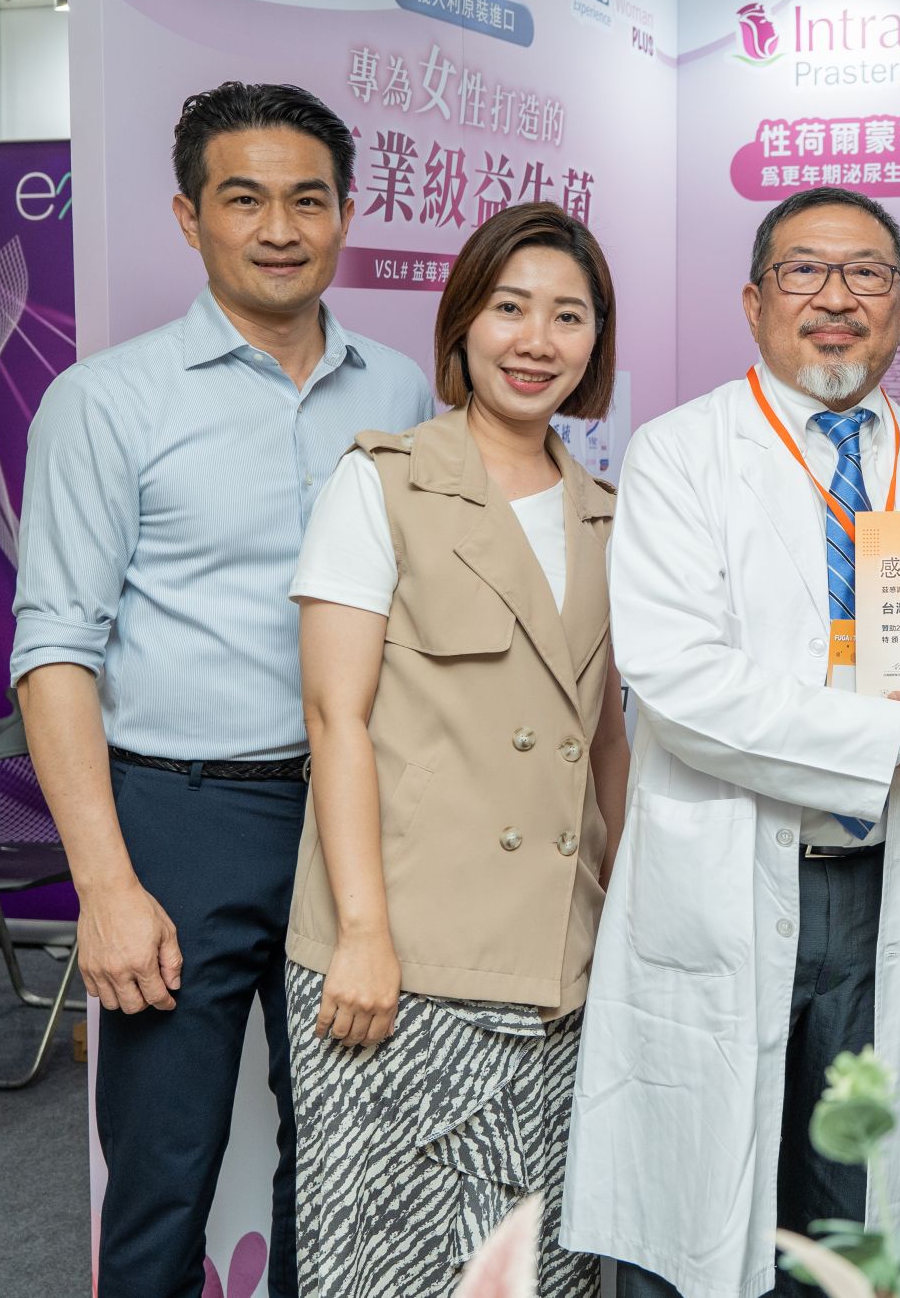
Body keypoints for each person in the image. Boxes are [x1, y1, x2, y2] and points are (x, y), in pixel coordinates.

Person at [563, 186, 900, 1298]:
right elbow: (681, 687)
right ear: (754, 302)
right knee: (702, 1203)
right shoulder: (680, 453)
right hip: (727, 877)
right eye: (804, 271)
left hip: (887, 881)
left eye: (867, 274)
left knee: (851, 1207)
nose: (836, 299)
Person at [12, 82, 434, 1296]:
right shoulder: (107, 400)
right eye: (244, 199)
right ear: (189, 218)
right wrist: (104, 886)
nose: (280, 229)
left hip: (356, 819)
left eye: (309, 199)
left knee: (345, 1155)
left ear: (346, 213)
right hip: (179, 821)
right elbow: (55, 651)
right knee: (163, 1170)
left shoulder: (400, 393)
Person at [282, 203, 625, 1297]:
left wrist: (620, 923)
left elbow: (604, 741)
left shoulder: (611, 514)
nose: (537, 341)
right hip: (407, 956)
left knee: (537, 1265)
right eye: (510, 307)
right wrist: (362, 935)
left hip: (559, 962)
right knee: (385, 1263)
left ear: (596, 342)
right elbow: (334, 719)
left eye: (568, 316)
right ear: (464, 323)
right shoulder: (381, 481)